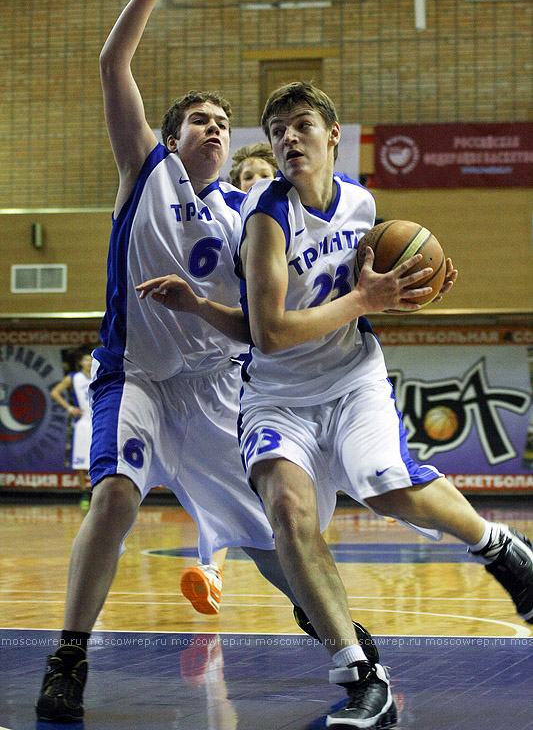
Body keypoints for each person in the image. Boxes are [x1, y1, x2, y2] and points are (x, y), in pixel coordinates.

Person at [143, 81, 533, 729]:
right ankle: (360, 676)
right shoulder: (264, 219)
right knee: (289, 516)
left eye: (300, 126)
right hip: (276, 396)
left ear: (332, 138)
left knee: (383, 485)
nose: (288, 138)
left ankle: (501, 549)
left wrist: (416, 285)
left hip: (352, 379)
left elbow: (369, 286)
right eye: (275, 131)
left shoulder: (361, 201)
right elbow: (266, 331)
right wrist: (365, 302)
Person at [35, 0, 309, 722]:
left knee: (267, 528)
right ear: (172, 133)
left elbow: (266, 315)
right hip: (141, 379)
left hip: (214, 390)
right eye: (199, 119)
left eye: (224, 122)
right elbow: (109, 65)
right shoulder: (144, 170)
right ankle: (69, 655)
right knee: (116, 497)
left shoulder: (248, 215)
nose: (214, 128)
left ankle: (332, 630)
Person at [180, 141, 277, 613]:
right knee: (223, 479)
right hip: (217, 360)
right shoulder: (222, 210)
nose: (254, 180)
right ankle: (211, 568)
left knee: (260, 481)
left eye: (264, 173)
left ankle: (300, 574)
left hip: (265, 362)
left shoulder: (282, 218)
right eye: (248, 175)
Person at [51, 351, 93, 510]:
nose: (89, 363)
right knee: (80, 461)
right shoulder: (74, 377)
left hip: (98, 419)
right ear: (80, 362)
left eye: (91, 360)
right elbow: (55, 392)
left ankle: (97, 493)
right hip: (82, 421)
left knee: (97, 460)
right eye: (86, 360)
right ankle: (84, 494)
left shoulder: (99, 374)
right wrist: (69, 408)